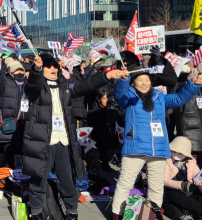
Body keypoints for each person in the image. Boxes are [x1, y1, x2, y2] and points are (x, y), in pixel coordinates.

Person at [23, 53, 126, 220]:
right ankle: (35, 213)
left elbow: (85, 85)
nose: (53, 69)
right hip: (42, 142)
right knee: (38, 182)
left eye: (55, 66)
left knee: (68, 181)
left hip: (64, 142)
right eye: (48, 66)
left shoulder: (64, 86)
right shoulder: (37, 87)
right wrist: (37, 68)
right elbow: (32, 86)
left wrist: (107, 75)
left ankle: (72, 213)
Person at [110, 64, 202, 220]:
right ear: (133, 83)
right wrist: (123, 80)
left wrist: (193, 85)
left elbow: (180, 98)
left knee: (156, 185)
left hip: (159, 149)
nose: (144, 83)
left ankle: (151, 214)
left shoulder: (159, 97)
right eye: (140, 80)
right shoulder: (129, 97)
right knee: (125, 182)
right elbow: (119, 95)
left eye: (147, 80)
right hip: (136, 147)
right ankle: (117, 215)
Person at [171, 64, 202, 166]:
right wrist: (188, 81)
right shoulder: (178, 85)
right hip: (189, 131)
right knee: (190, 165)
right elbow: (174, 96)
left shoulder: (201, 86)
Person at [162, 136, 202, 219]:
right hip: (169, 192)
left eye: (181, 153)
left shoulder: (191, 162)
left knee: (201, 196)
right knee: (172, 199)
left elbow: (200, 180)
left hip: (187, 193)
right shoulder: (165, 160)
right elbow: (165, 181)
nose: (177, 154)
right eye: (174, 151)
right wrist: (183, 185)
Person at [0, 58, 28, 167]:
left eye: (21, 71)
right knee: (10, 158)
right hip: (10, 127)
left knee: (22, 158)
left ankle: (21, 181)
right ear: (11, 73)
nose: (19, 73)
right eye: (16, 71)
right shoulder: (6, 84)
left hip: (25, 126)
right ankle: (8, 181)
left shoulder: (28, 84)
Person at [87, 89, 120, 171]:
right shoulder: (93, 111)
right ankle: (104, 162)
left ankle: (121, 160)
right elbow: (94, 128)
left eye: (108, 98)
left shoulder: (113, 109)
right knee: (103, 138)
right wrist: (108, 129)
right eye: (104, 98)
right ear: (99, 100)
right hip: (100, 135)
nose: (107, 100)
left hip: (113, 133)